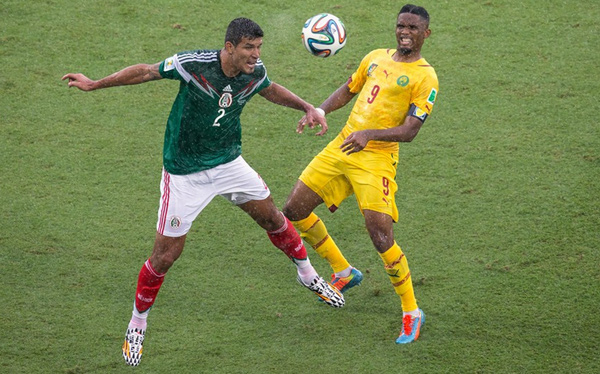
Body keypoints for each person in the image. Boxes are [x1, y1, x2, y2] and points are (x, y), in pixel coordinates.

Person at [62, 17, 344, 367]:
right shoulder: (193, 65)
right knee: (165, 256)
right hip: (184, 174)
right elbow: (146, 72)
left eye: (258, 48)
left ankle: (308, 275)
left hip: (228, 163)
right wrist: (94, 84)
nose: (255, 55)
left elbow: (268, 87)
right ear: (229, 47)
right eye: (248, 48)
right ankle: (137, 324)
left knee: (273, 218)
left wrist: (305, 106)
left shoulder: (254, 71)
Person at [282, 4, 438, 344]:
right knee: (293, 211)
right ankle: (343, 270)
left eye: (413, 27)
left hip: (377, 158)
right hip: (343, 145)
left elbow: (410, 130)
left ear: (426, 33)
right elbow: (348, 89)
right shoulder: (375, 57)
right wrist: (319, 109)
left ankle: (411, 311)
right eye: (401, 26)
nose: (405, 32)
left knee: (381, 236)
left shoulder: (426, 77)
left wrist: (370, 135)